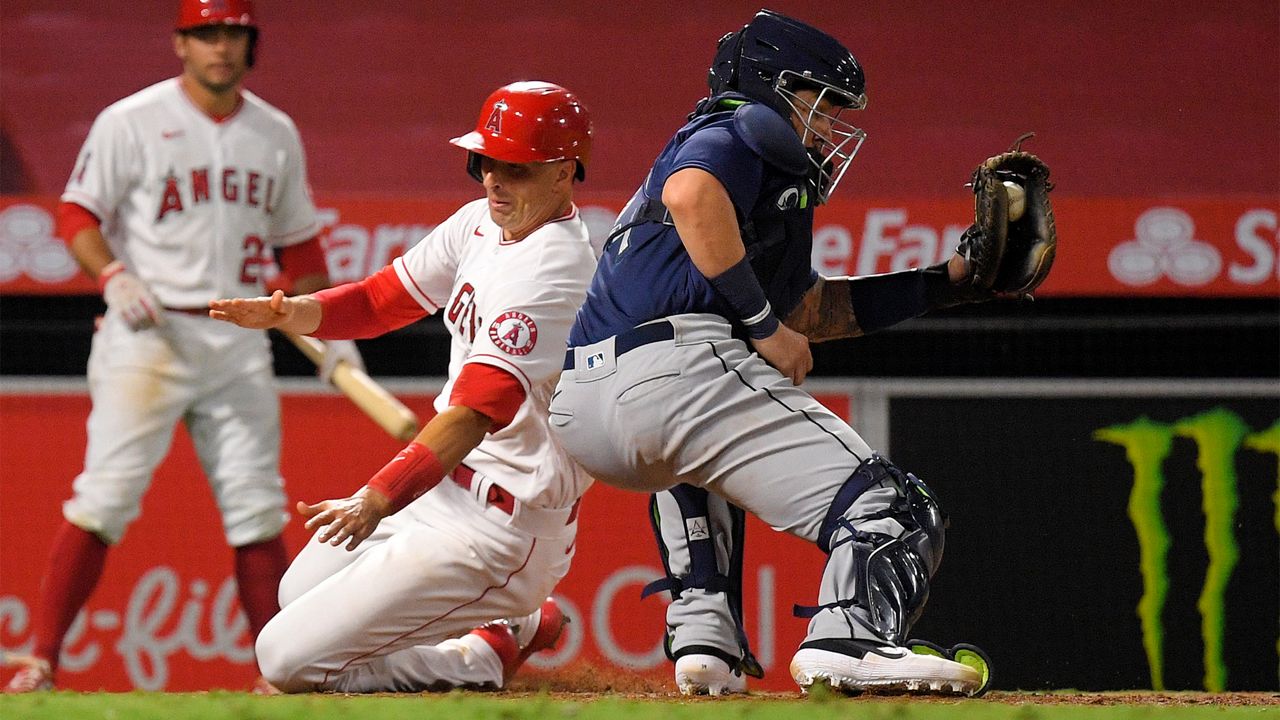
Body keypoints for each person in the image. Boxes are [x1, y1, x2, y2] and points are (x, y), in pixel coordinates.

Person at [549, 10, 1008, 696]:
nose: (828, 126)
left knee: (691, 454)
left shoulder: (764, 188)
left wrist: (950, 283)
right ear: (771, 83)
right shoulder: (742, 122)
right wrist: (761, 326)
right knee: (895, 507)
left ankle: (705, 631)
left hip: (587, 405)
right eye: (817, 102)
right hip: (676, 370)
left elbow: (812, 314)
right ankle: (850, 637)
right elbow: (692, 195)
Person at [1, 0, 365, 694]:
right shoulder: (130, 120)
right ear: (180, 43)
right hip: (149, 331)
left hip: (237, 336)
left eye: (232, 33)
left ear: (249, 42)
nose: (220, 47)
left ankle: (274, 674)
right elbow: (77, 211)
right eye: (206, 33)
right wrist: (111, 275)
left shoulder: (274, 132)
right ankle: (41, 658)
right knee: (104, 498)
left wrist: (320, 324)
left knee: (256, 505)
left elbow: (301, 248)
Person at [206, 80, 595, 693]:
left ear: (563, 172)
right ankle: (507, 626)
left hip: (502, 526)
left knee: (284, 661)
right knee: (295, 593)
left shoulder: (554, 271)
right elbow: (382, 300)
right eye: (484, 161)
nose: (493, 180)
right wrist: (291, 312)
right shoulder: (481, 222)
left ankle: (481, 656)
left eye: (514, 168)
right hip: (445, 492)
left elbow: (474, 412)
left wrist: (376, 498)